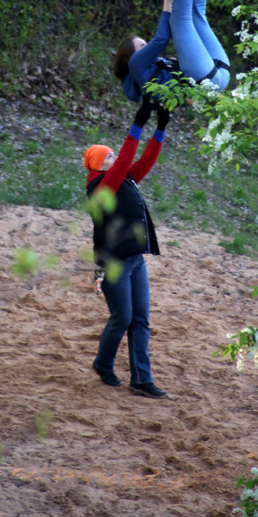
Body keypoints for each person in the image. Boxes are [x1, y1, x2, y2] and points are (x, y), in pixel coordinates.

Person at [84, 96, 169, 399]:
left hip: (134, 260)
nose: (114, 159)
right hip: (113, 263)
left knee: (141, 318)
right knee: (123, 317)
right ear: (97, 165)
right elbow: (123, 164)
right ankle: (103, 363)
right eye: (107, 157)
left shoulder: (125, 180)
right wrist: (138, 123)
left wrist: (159, 129)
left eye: (112, 157)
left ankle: (141, 379)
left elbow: (143, 162)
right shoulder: (100, 188)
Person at [113, 0, 230, 104]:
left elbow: (184, 98)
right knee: (181, 21)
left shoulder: (155, 69)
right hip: (209, 79)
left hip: (219, 72)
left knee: (198, 16)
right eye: (142, 45)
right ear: (129, 55)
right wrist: (167, 2)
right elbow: (161, 39)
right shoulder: (135, 63)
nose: (147, 46)